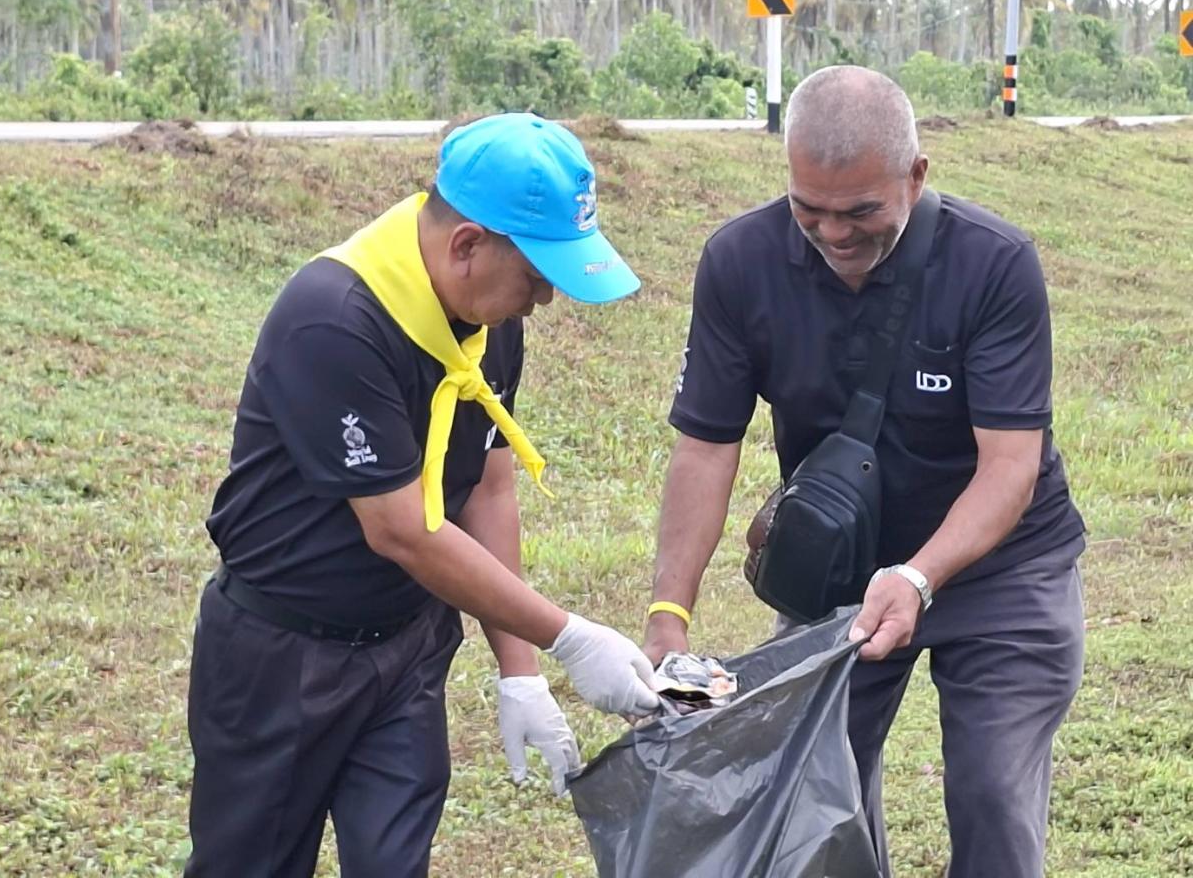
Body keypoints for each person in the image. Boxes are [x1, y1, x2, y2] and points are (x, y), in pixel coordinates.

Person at [186, 113, 659, 878]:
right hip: (282, 659)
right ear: (467, 244)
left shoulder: (484, 318)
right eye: (536, 277)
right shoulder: (334, 320)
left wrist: (519, 669)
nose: (542, 300)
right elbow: (401, 529)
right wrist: (566, 636)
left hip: (407, 648)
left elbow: (489, 483)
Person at [642, 66, 1086, 878]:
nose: (835, 234)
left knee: (993, 793)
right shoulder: (740, 263)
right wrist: (669, 612)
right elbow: (707, 445)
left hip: (1003, 569)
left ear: (917, 175)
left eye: (861, 212)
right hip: (841, 571)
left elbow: (1010, 467)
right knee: (811, 791)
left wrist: (917, 579)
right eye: (810, 211)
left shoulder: (992, 264)